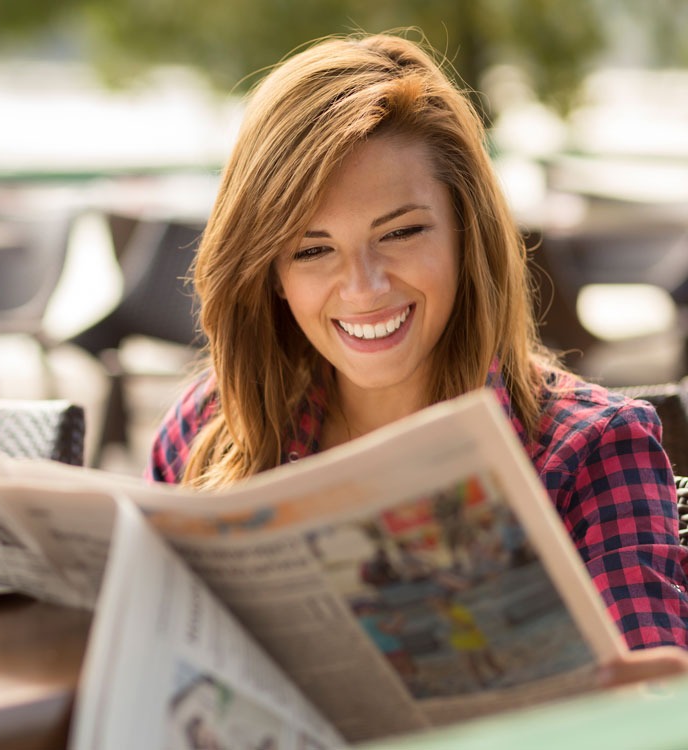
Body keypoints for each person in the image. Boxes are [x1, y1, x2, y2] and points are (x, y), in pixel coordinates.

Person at [146, 31, 688, 674]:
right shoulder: (209, 427)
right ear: (269, 274)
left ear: (468, 235)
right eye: (312, 250)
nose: (365, 288)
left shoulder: (591, 450)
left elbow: (652, 712)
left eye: (401, 232)